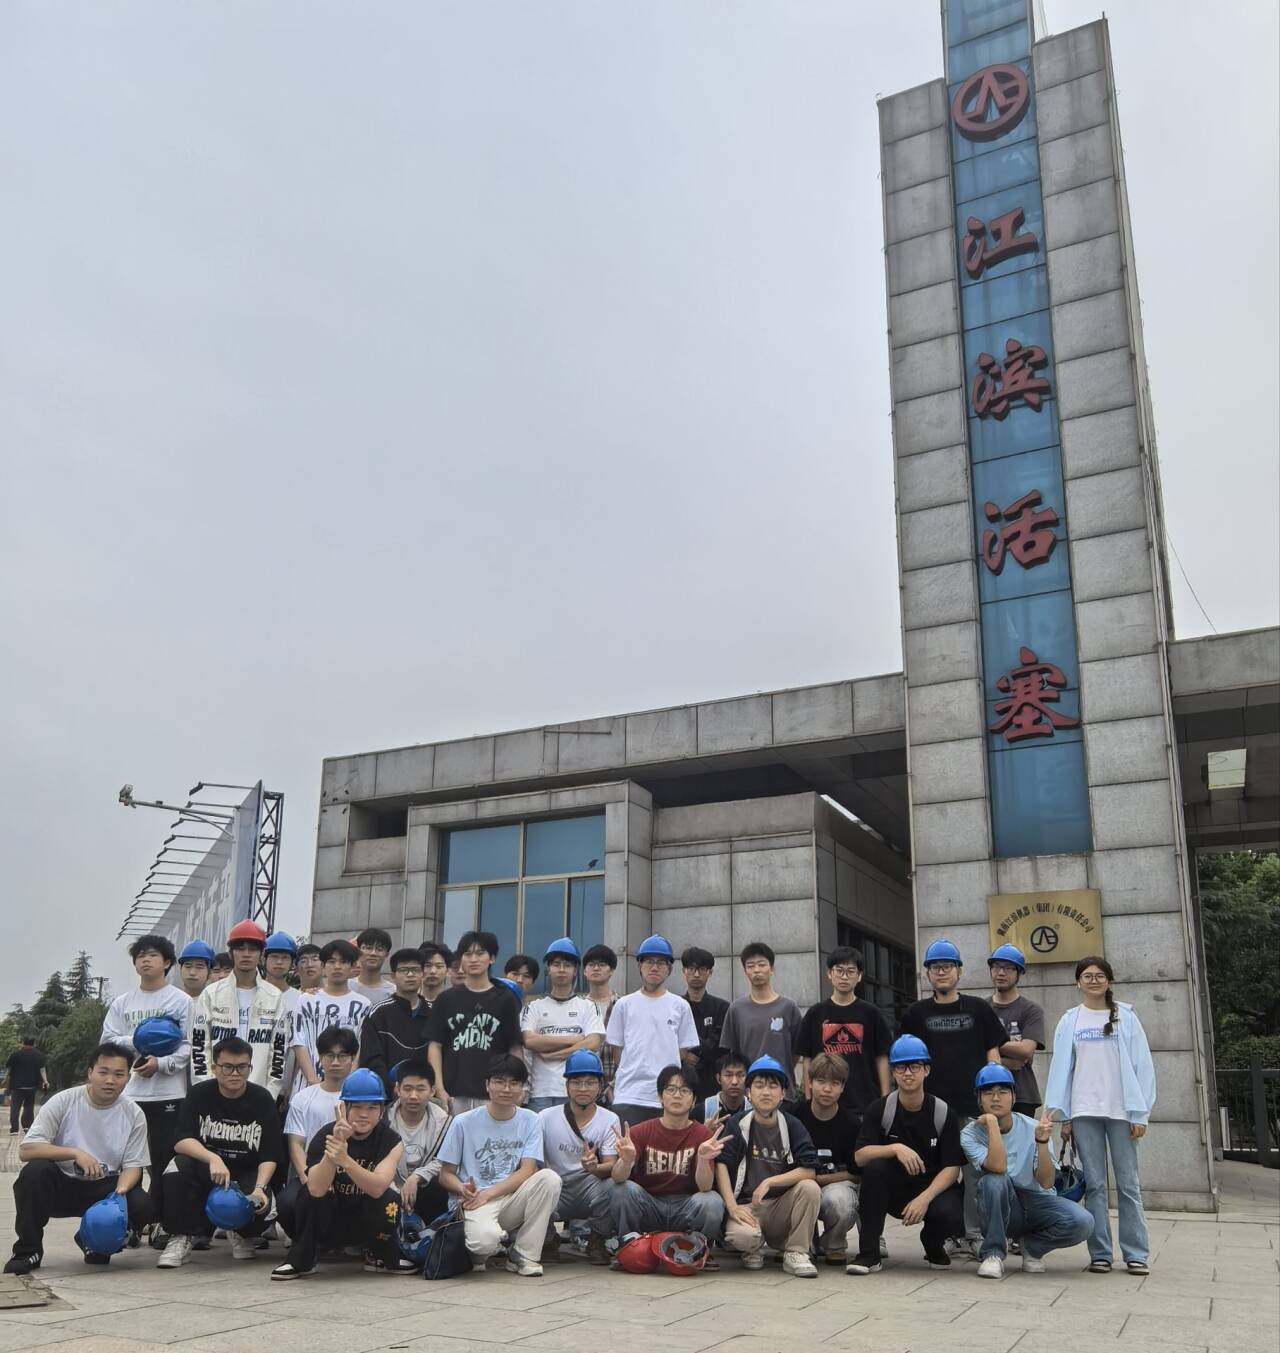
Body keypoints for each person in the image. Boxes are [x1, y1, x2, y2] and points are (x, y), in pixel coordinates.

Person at [1044, 955, 1156, 1276]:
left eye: (1099, 976)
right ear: (1077, 982)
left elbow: (1143, 1065)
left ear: (1109, 981)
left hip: (1122, 1112)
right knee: (1094, 1185)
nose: (1093, 981)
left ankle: (1136, 1253)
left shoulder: (1126, 1017)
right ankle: (1100, 1253)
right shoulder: (1070, 1020)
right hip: (1084, 1112)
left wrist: (1141, 1113)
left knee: (1128, 1185)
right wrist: (1064, 1116)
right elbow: (1062, 1070)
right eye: (1087, 976)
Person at [6, 1043, 153, 1274]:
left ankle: (92, 1240)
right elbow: (27, 1150)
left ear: (128, 1078)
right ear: (90, 1073)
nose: (110, 1081)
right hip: (60, 1185)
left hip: (103, 1188)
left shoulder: (133, 1113)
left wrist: (117, 1199)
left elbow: (133, 1167)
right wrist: (74, 1153)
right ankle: (27, 1250)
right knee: (34, 1173)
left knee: (142, 1205)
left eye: (119, 1074)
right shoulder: (64, 1101)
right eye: (103, 1072)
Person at [899, 937, 1005, 1254]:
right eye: (935, 967)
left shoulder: (979, 1009)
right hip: (931, 1111)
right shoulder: (915, 1013)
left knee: (975, 1173)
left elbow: (993, 1054)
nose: (941, 972)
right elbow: (904, 1062)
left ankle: (975, 1234)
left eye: (947, 966)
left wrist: (993, 1097)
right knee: (937, 1172)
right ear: (927, 974)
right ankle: (943, 1234)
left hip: (972, 1108)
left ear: (959, 971)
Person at [271, 1070, 416, 1278]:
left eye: (372, 1107)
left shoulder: (390, 1140)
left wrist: (345, 1160)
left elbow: (377, 1188)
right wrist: (334, 1152)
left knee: (390, 1200)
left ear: (382, 1111)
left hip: (362, 1216)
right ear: (343, 1107)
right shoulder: (325, 1134)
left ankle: (381, 1255)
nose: (364, 1114)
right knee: (293, 1198)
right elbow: (315, 1188)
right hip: (329, 1215)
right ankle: (304, 1258)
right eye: (356, 1107)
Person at [158, 1036, 282, 1268]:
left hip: (245, 1172)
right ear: (214, 1068)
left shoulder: (262, 1099)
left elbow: (270, 1154)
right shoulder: (199, 1094)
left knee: (263, 1204)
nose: (235, 1073)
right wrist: (212, 1158)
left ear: (250, 1068)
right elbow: (181, 1141)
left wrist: (260, 1188)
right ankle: (181, 1236)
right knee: (177, 1167)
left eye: (242, 1067)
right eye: (227, 1067)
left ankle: (242, 1232)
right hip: (208, 1170)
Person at [846, 1034, 964, 1276]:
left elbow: (952, 1168)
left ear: (926, 1070)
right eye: (901, 1067)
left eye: (915, 1066)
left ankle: (932, 1244)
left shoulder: (943, 1113)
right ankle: (869, 1254)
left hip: (929, 1190)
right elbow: (860, 1156)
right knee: (875, 1168)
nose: (908, 1073)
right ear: (893, 1072)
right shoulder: (880, 1109)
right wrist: (895, 1148)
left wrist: (925, 1199)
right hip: (892, 1191)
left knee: (950, 1212)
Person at [99, 934, 193, 1238]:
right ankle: (130, 1223)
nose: (145, 960)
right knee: (127, 1160)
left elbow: (188, 1045)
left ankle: (162, 1221)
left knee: (164, 1161)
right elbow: (108, 1041)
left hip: (168, 1094)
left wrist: (161, 1063)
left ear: (166, 963)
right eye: (140, 956)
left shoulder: (180, 1001)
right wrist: (140, 1040)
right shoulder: (122, 1003)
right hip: (130, 1094)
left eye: (152, 955)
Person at [962, 1064, 1093, 1280]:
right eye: (988, 1093)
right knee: (993, 1181)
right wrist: (992, 1124)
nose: (996, 1098)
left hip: (1037, 1202)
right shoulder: (970, 1134)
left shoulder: (1034, 1127)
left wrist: (1041, 1142)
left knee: (1083, 1222)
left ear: (1014, 1097)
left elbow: (1047, 1182)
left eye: (1003, 1092)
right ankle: (993, 1254)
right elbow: (998, 1167)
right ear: (979, 1099)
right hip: (1003, 1205)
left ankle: (1032, 1247)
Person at [436, 1054, 562, 1277]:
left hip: (510, 1198)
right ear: (487, 1085)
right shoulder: (463, 1122)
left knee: (550, 1179)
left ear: (522, 1088)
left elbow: (528, 1170)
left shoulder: (531, 1119)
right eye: (499, 1082)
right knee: (482, 1245)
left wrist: (489, 1193)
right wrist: (462, 1188)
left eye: (514, 1083)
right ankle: (482, 1247)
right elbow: (445, 1175)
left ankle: (524, 1254)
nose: (506, 1089)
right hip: (474, 1201)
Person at [715, 1055, 820, 1277]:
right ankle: (753, 1247)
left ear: (782, 1094)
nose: (766, 1092)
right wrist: (732, 1206)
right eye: (759, 1085)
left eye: (773, 1086)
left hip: (780, 1205)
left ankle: (796, 1252)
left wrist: (770, 1182)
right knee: (742, 1237)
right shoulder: (737, 1123)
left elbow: (809, 1170)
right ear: (748, 1092)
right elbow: (721, 1164)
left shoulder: (792, 1125)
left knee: (810, 1188)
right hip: (747, 1206)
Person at [610, 1064, 726, 1243]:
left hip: (686, 1208)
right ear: (660, 1097)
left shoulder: (703, 1135)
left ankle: (697, 1249)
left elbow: (705, 1187)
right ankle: (630, 1245)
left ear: (694, 1100)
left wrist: (703, 1159)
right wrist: (625, 1161)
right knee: (622, 1190)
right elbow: (617, 1178)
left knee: (712, 1201)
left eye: (684, 1090)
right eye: (671, 1089)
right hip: (649, 1205)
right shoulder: (640, 1132)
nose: (677, 1095)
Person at [606, 934, 700, 1128]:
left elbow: (683, 1050)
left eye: (661, 963)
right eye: (649, 962)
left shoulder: (680, 1006)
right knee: (629, 1146)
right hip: (629, 1094)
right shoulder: (623, 1005)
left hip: (668, 1096)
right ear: (640, 966)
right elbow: (617, 1051)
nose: (654, 967)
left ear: (669, 969)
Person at [536, 1049, 619, 1266]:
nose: (583, 1088)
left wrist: (595, 1167)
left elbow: (611, 1165)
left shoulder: (610, 1119)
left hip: (588, 1184)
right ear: (567, 1086)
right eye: (576, 1082)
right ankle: (548, 1240)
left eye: (590, 1082)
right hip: (556, 1185)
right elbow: (534, 1163)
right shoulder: (545, 1117)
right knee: (534, 1183)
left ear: (599, 1086)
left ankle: (597, 1239)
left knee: (616, 1187)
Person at [426, 931, 523, 1114]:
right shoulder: (446, 999)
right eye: (468, 954)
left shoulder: (505, 999)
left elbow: (514, 1047)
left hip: (494, 1093)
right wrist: (439, 1088)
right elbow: (435, 1046)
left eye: (480, 953)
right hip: (453, 1093)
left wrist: (518, 1086)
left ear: (492, 958)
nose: (473, 959)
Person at [190, 920, 289, 1098]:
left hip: (258, 1094)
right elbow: (199, 1046)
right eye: (240, 949)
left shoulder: (274, 996)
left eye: (252, 949)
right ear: (231, 953)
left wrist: (269, 1096)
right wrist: (206, 1091)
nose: (246, 954)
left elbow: (278, 1051)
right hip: (215, 1094)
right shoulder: (211, 994)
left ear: (262, 954)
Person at [278, 1026, 355, 1238]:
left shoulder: (360, 1100)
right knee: (287, 1203)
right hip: (312, 1172)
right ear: (320, 1058)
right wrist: (309, 1179)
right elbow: (296, 1145)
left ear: (352, 1059)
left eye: (343, 1056)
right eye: (330, 1055)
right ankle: (303, 1239)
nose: (336, 1062)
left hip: (352, 1175)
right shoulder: (303, 1098)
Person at [795, 946, 891, 1114]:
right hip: (823, 1105)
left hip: (865, 1104)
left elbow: (882, 1057)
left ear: (859, 976)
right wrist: (809, 1099)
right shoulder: (815, 1013)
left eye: (851, 971)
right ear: (829, 973)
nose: (844, 977)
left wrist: (885, 1099)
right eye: (839, 971)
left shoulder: (871, 1013)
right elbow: (807, 1058)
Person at [521, 939, 605, 1111]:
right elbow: (529, 1040)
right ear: (548, 969)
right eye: (556, 964)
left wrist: (554, 1054)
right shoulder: (534, 1007)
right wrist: (574, 1039)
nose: (561, 969)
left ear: (575, 971)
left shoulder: (588, 1006)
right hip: (540, 1093)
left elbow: (593, 1042)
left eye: (567, 965)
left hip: (575, 1092)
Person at [795, 1052, 861, 1265]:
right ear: (810, 1082)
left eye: (834, 1083)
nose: (827, 1088)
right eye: (821, 1081)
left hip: (835, 1186)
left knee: (841, 1202)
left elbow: (856, 1173)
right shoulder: (794, 1116)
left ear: (842, 1087)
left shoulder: (852, 1124)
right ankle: (800, 1242)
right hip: (799, 1186)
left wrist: (819, 1179)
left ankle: (833, 1243)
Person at [719, 943, 802, 1096]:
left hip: (783, 1090)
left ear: (772, 968)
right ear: (745, 971)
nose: (756, 970)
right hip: (748, 1092)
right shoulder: (736, 1009)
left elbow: (797, 1052)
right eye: (750, 966)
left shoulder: (788, 1007)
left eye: (762, 964)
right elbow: (731, 1053)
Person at [291, 940, 373, 1096]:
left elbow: (362, 1047)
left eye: (343, 962)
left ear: (352, 966)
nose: (337, 967)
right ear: (323, 966)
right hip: (307, 1085)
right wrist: (313, 1080)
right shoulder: (306, 1000)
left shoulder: (364, 1005)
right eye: (331, 961)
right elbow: (298, 1042)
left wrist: (349, 1080)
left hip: (347, 1088)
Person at [360, 948, 434, 1092]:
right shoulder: (378, 1013)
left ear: (423, 974)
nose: (410, 975)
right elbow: (371, 1059)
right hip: (387, 1095)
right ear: (393, 976)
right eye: (404, 970)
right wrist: (391, 1088)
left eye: (415, 970)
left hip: (427, 1094)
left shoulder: (434, 1013)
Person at [385, 1057, 450, 1222]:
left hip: (425, 1187)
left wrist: (416, 1177)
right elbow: (378, 1160)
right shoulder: (384, 1119)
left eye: (421, 1089)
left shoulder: (445, 1121)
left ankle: (432, 1233)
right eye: (407, 1089)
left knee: (440, 1184)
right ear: (397, 1089)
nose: (413, 1096)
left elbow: (444, 1160)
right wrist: (398, 1192)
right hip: (391, 1187)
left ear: (432, 1091)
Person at [986, 944, 1046, 1118]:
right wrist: (1005, 1062)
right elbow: (970, 1052)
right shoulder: (981, 1008)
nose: (1001, 972)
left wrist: (988, 1045)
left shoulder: (1031, 1010)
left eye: (1008, 968)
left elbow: (1026, 1050)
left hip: (1022, 1093)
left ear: (1019, 973)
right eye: (996, 966)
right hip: (986, 1092)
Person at [680, 947, 729, 1100]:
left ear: (710, 972)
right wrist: (681, 1054)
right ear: (684, 971)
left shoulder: (722, 1007)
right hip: (680, 1082)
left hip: (712, 1083)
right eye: (691, 969)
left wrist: (688, 1046)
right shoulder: (674, 1006)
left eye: (701, 969)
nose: (696, 974)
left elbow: (719, 1047)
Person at [583, 944, 620, 1100]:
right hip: (582, 1087)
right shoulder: (578, 1006)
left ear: (611, 971)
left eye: (602, 964)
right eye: (591, 964)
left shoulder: (623, 1005)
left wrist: (615, 1083)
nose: (596, 968)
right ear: (584, 971)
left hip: (616, 1088)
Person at [6, 1035, 48, 1135]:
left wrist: (6, 1080)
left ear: (23, 1043)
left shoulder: (15, 1054)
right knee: (29, 1107)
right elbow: (42, 1070)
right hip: (32, 1085)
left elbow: (9, 1069)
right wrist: (45, 1081)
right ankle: (27, 1126)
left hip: (17, 1085)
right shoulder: (39, 1055)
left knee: (15, 1107)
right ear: (34, 1044)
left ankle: (14, 1129)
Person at [698, 1051, 748, 1123]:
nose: (734, 1082)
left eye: (740, 1075)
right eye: (728, 1075)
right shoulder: (703, 1110)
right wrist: (704, 1129)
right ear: (719, 1078)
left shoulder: (755, 1110)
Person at [351, 928, 396, 1007]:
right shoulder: (345, 987)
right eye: (368, 948)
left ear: (387, 954)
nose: (373, 953)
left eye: (379, 949)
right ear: (358, 951)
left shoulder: (393, 992)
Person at [418, 942, 452, 1011]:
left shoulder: (454, 1004)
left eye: (439, 966)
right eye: (428, 965)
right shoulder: (409, 1003)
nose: (433, 971)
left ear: (447, 970)